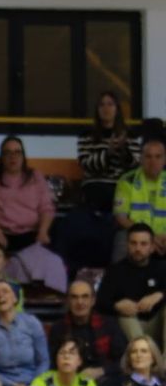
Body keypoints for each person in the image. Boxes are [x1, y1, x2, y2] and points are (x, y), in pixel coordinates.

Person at [0, 136, 67, 293]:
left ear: (23, 156)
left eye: (17, 152)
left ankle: (50, 293)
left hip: (32, 233)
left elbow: (46, 208)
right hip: (2, 234)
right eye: (8, 153)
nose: (13, 157)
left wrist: (43, 231)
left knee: (56, 252)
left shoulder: (35, 176)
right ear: (1, 156)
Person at [63, 93, 140, 269]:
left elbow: (135, 168)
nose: (106, 108)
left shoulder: (130, 135)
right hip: (94, 190)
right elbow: (86, 164)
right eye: (102, 105)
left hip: (120, 191)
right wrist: (108, 152)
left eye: (110, 104)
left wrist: (123, 150)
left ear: (117, 109)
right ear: (97, 110)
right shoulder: (86, 136)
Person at [96, 223, 166, 346]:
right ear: (127, 245)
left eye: (143, 244)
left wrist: (159, 295)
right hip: (130, 325)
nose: (138, 248)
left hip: (157, 324)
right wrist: (117, 306)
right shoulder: (115, 271)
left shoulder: (161, 267)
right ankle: (145, 355)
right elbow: (100, 302)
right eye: (133, 243)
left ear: (152, 247)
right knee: (125, 316)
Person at [49, 279, 126, 381]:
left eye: (85, 296)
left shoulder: (109, 325)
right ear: (68, 301)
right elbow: (53, 365)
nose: (80, 302)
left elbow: (124, 360)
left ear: (93, 301)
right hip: (70, 382)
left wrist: (102, 370)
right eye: (74, 297)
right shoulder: (58, 329)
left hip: (106, 381)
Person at [111, 137, 166, 259]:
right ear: (141, 159)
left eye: (158, 157)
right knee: (122, 238)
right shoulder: (127, 180)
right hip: (137, 235)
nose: (153, 161)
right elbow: (121, 218)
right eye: (148, 156)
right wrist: (149, 237)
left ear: (164, 159)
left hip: (164, 237)